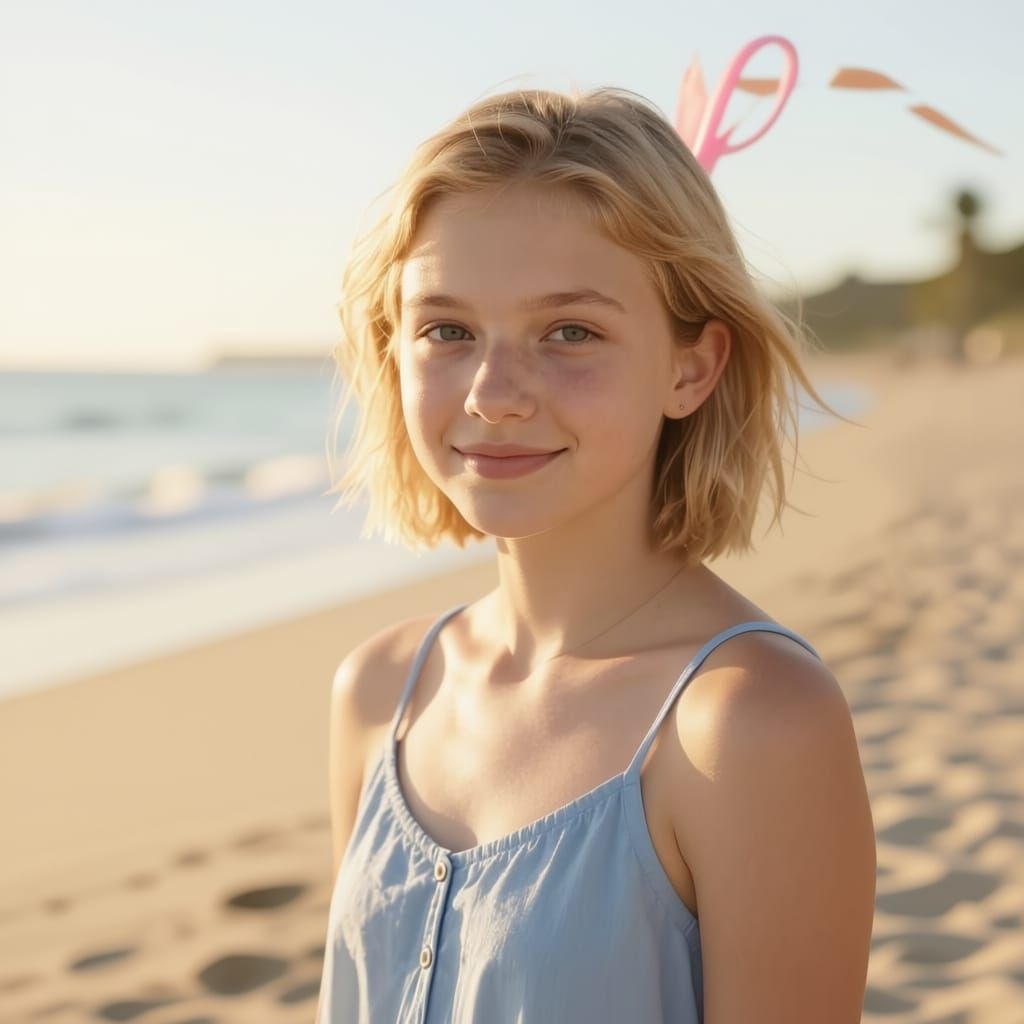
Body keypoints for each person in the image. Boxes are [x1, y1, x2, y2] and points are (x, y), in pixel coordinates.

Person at [316, 86, 876, 1023]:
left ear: (691, 367)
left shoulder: (748, 727)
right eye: (447, 330)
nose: (493, 394)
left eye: (569, 331)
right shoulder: (381, 692)